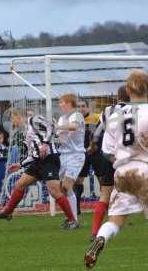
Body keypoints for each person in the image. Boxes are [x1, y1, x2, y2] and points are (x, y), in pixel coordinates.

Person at [84, 69, 148, 271]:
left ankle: (101, 238)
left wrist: (124, 161)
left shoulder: (115, 115)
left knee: (116, 219)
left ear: (128, 89)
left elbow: (106, 151)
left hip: (123, 172)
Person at [0, 110, 76, 228]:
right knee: (20, 184)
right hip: (38, 162)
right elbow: (33, 154)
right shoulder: (25, 133)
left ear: (18, 116)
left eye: (12, 118)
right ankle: (8, 212)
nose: (12, 122)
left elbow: (51, 127)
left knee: (54, 191)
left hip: (49, 159)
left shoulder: (34, 120)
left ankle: (72, 220)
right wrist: (20, 164)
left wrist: (45, 143)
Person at [89, 86, 130, 240]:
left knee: (105, 194)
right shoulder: (136, 110)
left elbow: (97, 132)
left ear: (117, 97)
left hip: (108, 155)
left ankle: (95, 231)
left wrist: (92, 146)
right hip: (127, 156)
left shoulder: (108, 110)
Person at [56, 94, 85, 228]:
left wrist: (56, 127)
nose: (60, 104)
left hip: (76, 155)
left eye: (61, 102)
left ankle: (74, 220)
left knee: (67, 186)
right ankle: (71, 218)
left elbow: (73, 127)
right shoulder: (62, 118)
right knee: (61, 188)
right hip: (64, 155)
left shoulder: (77, 115)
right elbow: (62, 138)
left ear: (68, 103)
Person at [76, 99, 101, 215]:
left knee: (103, 179)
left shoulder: (96, 118)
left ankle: (107, 205)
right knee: (78, 180)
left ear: (88, 107)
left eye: (83, 106)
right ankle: (76, 207)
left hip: (95, 152)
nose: (81, 108)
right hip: (81, 154)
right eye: (79, 106)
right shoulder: (74, 120)